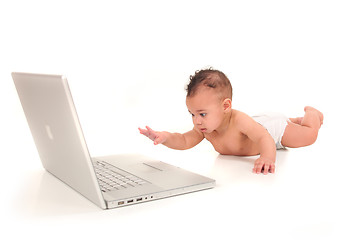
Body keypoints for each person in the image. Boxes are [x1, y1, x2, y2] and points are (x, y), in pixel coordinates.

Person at [139, 68, 323, 175]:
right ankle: (292, 119)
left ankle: (310, 115)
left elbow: (263, 138)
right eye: (192, 114)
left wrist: (267, 157)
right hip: (259, 124)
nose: (196, 121)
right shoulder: (205, 129)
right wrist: (164, 137)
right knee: (266, 125)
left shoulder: (239, 120)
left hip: (273, 131)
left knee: (309, 136)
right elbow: (184, 140)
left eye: (202, 114)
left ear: (226, 106)